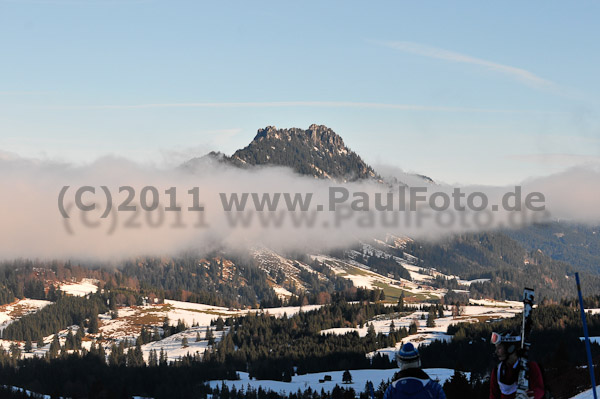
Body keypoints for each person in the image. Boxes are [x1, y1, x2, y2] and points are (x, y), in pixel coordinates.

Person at [490, 331, 545, 399]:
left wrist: (529, 396)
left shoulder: (529, 367)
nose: (496, 351)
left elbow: (539, 390)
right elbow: (494, 395)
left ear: (510, 348)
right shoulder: (497, 371)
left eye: (499, 348)